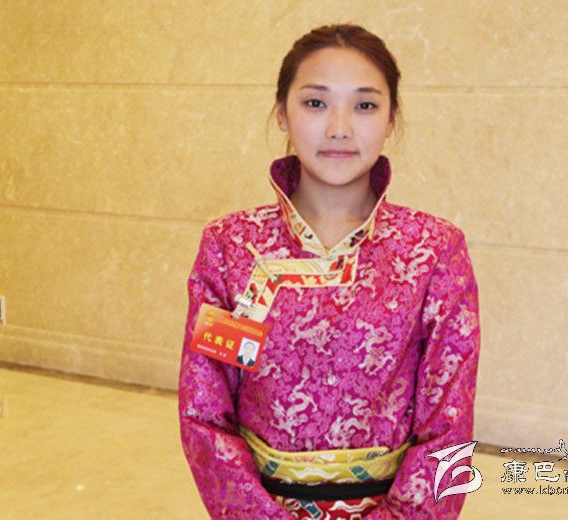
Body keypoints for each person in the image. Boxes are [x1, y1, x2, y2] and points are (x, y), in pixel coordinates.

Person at [179, 23, 480, 519]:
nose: (339, 127)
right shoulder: (232, 247)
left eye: (365, 105)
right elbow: (205, 413)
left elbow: (449, 425)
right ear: (282, 112)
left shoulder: (433, 250)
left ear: (391, 118)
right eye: (316, 103)